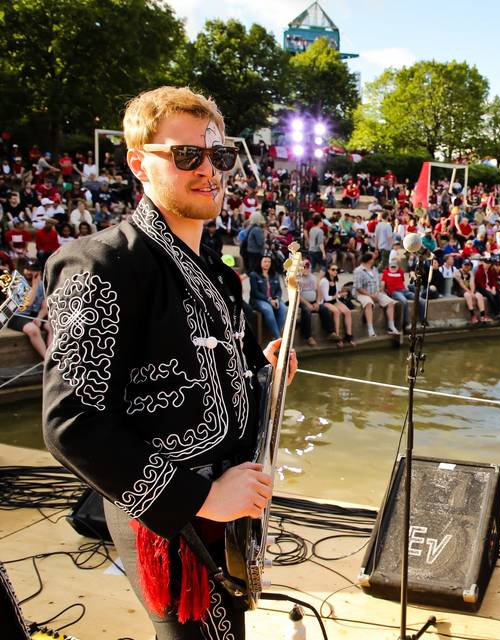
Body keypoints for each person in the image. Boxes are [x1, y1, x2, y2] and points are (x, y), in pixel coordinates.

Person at [42, 86, 297, 640]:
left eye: (219, 156)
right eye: (187, 155)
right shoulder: (101, 265)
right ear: (139, 163)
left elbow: (225, 369)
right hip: (167, 515)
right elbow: (72, 425)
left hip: (231, 508)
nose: (210, 170)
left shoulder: (219, 272)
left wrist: (266, 372)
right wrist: (201, 497)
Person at [8, 260, 51, 358]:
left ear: (39, 272)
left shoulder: (42, 284)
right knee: (33, 330)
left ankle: (52, 356)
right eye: (27, 269)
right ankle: (47, 359)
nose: (28, 272)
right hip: (17, 315)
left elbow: (45, 305)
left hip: (34, 315)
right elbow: (27, 303)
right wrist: (35, 286)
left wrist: (39, 317)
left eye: (32, 270)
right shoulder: (17, 282)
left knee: (51, 326)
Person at [352, 252, 400, 337]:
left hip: (375, 292)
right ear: (369, 260)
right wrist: (370, 295)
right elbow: (358, 287)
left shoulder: (374, 269)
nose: (374, 260)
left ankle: (391, 326)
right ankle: (370, 329)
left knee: (390, 302)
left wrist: (378, 292)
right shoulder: (358, 271)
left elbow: (378, 282)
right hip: (362, 294)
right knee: (369, 303)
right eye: (373, 259)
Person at [248, 255, 287, 340]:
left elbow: (279, 290)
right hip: (258, 300)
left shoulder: (275, 275)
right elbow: (255, 292)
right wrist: (269, 300)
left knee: (284, 308)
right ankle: (278, 338)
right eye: (265, 261)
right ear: (260, 263)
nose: (267, 264)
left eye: (269, 262)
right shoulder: (254, 275)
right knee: (268, 309)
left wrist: (277, 299)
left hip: (273, 299)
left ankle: (275, 336)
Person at [320, 264, 354, 346]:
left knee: (348, 312)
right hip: (325, 302)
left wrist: (342, 292)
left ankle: (349, 336)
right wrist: (339, 295)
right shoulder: (324, 281)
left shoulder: (336, 280)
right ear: (328, 270)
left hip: (334, 301)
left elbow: (337, 293)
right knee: (336, 312)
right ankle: (338, 338)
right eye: (333, 269)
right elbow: (326, 298)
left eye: (336, 270)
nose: (335, 271)